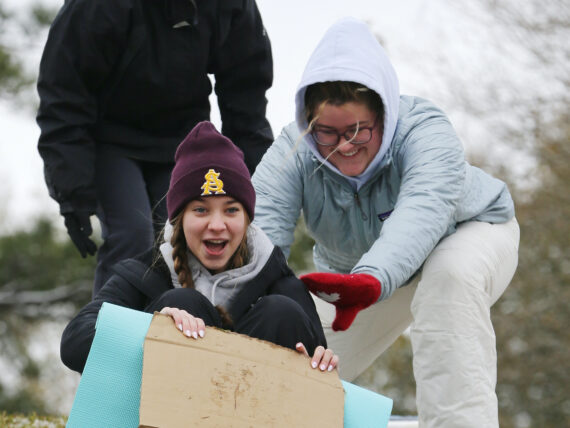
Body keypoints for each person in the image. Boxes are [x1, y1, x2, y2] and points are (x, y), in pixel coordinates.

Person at [252, 17, 519, 428]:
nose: (343, 146)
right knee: (294, 353)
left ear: (384, 113)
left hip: (467, 234)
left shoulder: (425, 129)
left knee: (448, 280)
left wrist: (372, 278)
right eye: (326, 132)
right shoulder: (294, 149)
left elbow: (423, 210)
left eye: (357, 129)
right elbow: (260, 237)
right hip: (356, 277)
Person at [60, 121, 337, 375]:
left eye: (230, 210)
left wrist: (323, 360)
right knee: (182, 304)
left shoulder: (279, 280)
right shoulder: (145, 273)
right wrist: (149, 329)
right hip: (170, 410)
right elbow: (75, 342)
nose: (217, 225)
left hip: (257, 411)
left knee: (281, 312)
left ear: (247, 220)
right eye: (201, 210)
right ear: (179, 220)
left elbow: (326, 373)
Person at [37, 0, 274, 296]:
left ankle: (190, 332)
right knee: (132, 235)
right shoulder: (98, 8)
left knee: (186, 236)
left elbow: (246, 89)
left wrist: (255, 184)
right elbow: (64, 91)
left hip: (182, 143)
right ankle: (113, 336)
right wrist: (71, 192)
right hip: (109, 140)